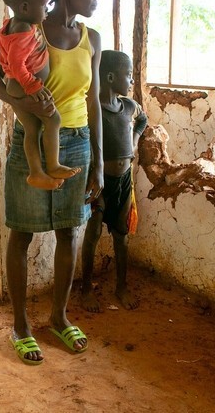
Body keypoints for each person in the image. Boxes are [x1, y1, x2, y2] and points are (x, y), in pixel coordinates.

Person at [0, 0, 103, 365]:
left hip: (78, 141)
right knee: (22, 234)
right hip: (31, 139)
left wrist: (99, 162)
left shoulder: (93, 38)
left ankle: (58, 317)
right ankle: (21, 326)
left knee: (70, 232)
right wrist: (23, 102)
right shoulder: (29, 30)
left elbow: (94, 103)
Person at [0, 0, 80, 190]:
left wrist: (5, 43)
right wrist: (32, 85)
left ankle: (36, 173)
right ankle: (53, 165)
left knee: (33, 129)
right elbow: (16, 63)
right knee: (53, 120)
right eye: (44, 6)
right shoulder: (23, 29)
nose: (47, 11)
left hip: (17, 87)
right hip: (24, 87)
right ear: (24, 8)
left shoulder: (12, 24)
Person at [80, 50, 147, 313]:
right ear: (109, 77)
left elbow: (143, 120)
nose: (131, 81)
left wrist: (134, 142)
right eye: (128, 75)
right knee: (93, 233)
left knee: (122, 236)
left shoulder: (129, 107)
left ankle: (121, 287)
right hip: (100, 183)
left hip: (124, 182)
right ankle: (86, 289)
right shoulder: (92, 109)